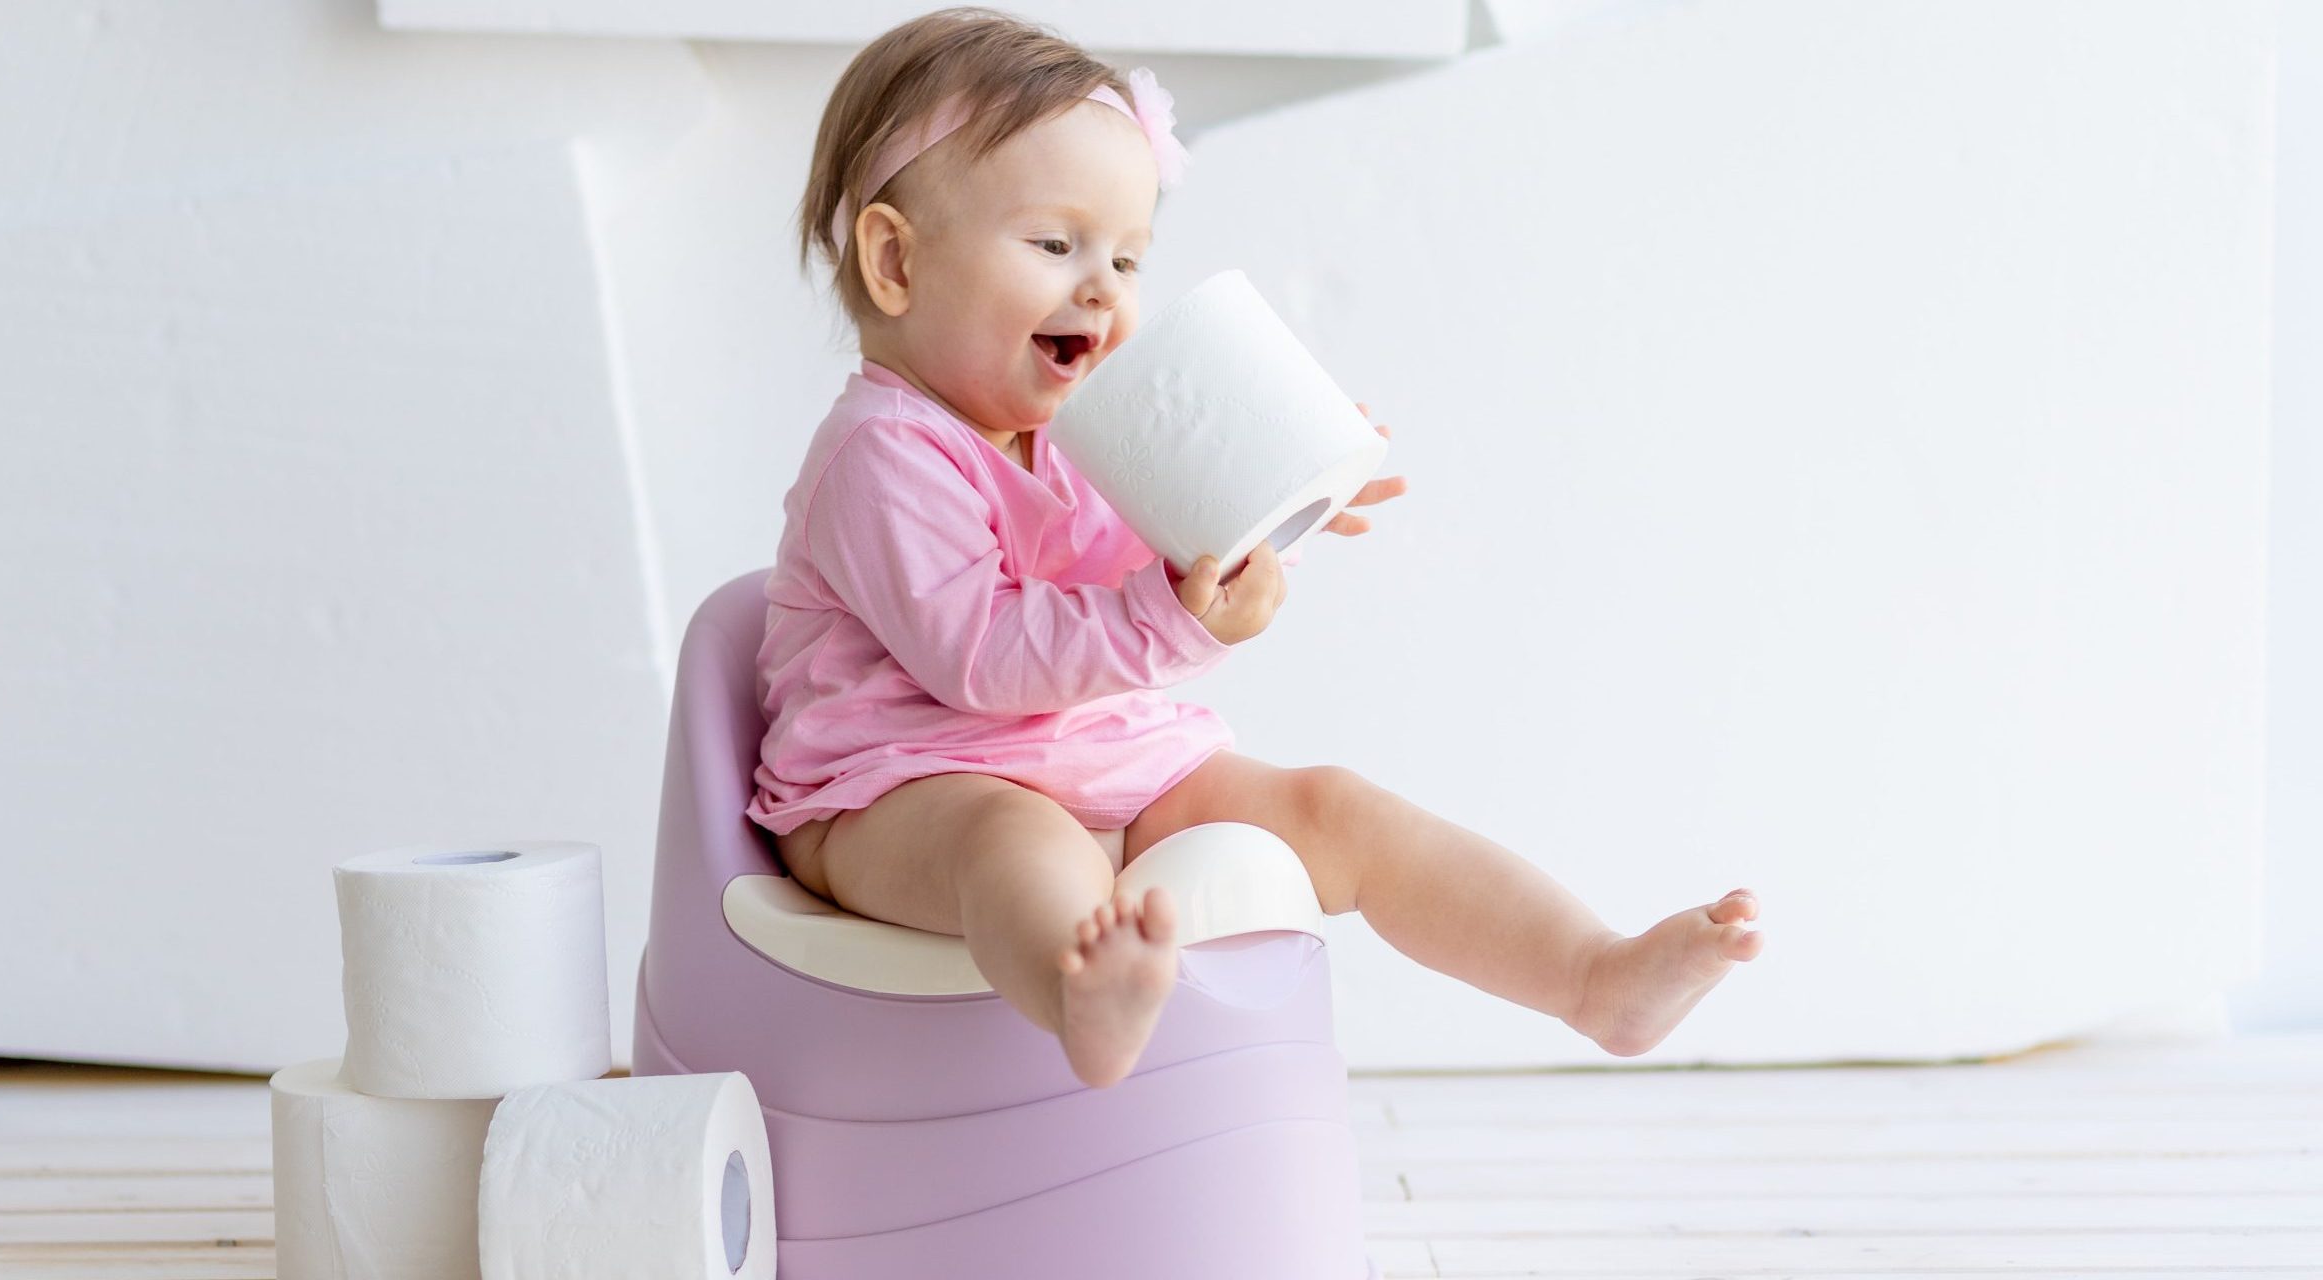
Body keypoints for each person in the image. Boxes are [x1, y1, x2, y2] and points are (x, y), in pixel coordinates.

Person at [749, 6, 1762, 1089]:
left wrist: (1271, 491)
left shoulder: (1074, 435)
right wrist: (1169, 619)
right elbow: (985, 656)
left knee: (1334, 807)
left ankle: (1592, 975)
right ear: (895, 261)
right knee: (1010, 840)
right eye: (1055, 245)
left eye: (1127, 257)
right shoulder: (883, 452)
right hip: (898, 791)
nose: (1103, 287)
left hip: (1105, 766)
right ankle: (1080, 993)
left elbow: (1163, 554)